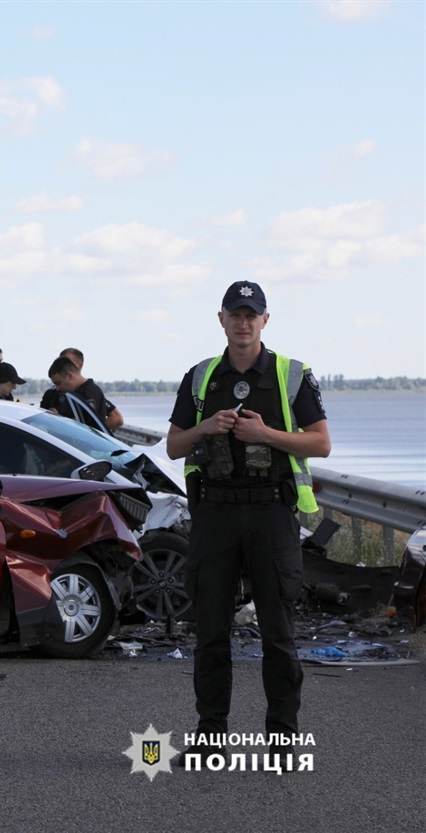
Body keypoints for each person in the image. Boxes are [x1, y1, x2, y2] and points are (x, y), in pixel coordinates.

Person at [165, 281, 329, 767]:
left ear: (264, 320)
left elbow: (320, 444)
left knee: (277, 631)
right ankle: (209, 737)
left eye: (251, 315)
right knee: (210, 631)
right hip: (215, 514)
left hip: (270, 514)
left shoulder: (292, 375)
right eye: (235, 315)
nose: (243, 322)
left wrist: (265, 435)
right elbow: (174, 446)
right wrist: (205, 428)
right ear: (221, 320)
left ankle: (282, 739)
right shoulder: (200, 377)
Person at [40, 348, 124, 430]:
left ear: (70, 375)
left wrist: (58, 420)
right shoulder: (59, 393)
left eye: (59, 383)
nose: (58, 388)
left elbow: (87, 429)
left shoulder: (89, 394)